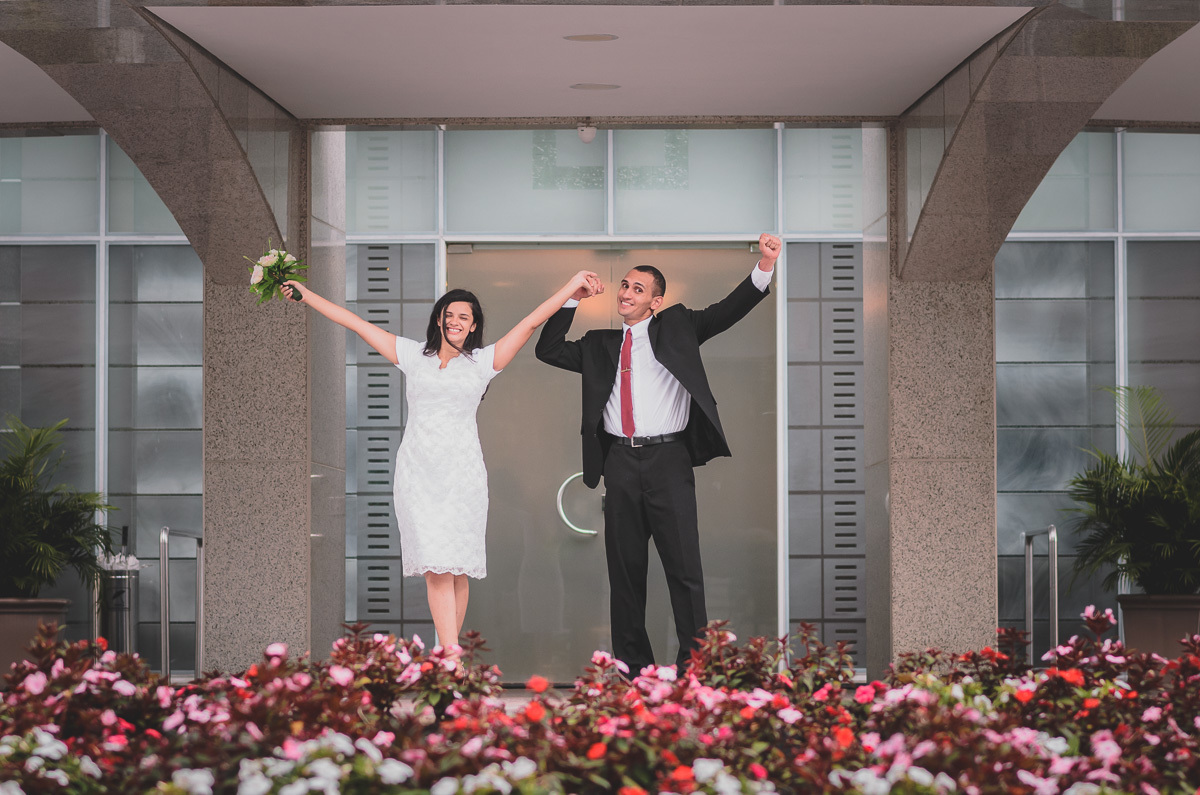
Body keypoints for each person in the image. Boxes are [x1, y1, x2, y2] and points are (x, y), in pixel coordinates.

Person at [282, 271, 604, 655]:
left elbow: (532, 321)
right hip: (418, 474)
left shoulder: (484, 362)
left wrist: (571, 288)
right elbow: (355, 323)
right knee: (437, 564)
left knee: (456, 568)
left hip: (462, 475)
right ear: (439, 319)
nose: (455, 321)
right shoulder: (413, 356)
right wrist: (306, 296)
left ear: (473, 326)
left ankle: (448, 657)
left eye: (464, 317)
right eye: (449, 315)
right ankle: (451, 657)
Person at [535, 233, 781, 673]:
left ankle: (695, 669)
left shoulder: (679, 326)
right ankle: (634, 671)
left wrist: (764, 264)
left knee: (685, 571)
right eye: (625, 286)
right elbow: (547, 349)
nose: (627, 293)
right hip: (620, 465)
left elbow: (729, 310)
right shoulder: (599, 345)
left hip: (670, 463)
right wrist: (571, 297)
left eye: (638, 289)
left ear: (656, 301)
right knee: (626, 577)